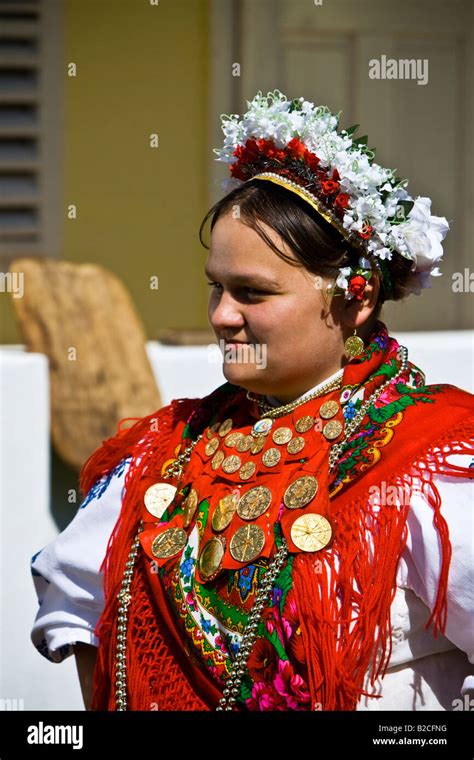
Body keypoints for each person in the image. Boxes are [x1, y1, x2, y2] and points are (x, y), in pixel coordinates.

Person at [31, 90, 474, 712]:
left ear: (359, 296)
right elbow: (74, 602)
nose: (222, 316)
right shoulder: (166, 447)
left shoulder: (431, 459)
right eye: (215, 287)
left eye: (253, 293)